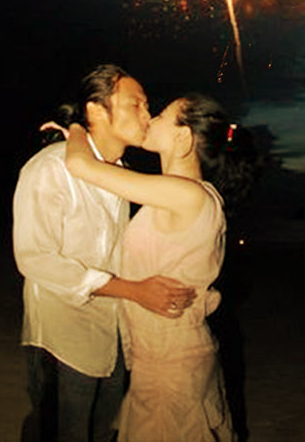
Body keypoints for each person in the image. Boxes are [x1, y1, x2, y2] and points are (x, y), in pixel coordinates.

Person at [14, 65, 198, 442]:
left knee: (103, 433)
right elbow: (35, 258)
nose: (147, 115)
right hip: (62, 339)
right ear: (96, 110)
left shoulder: (119, 175)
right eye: (136, 104)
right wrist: (134, 290)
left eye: (148, 106)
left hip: (113, 338)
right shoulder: (51, 168)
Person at [60, 93, 254, 442]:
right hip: (162, 356)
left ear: (183, 137)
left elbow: (80, 166)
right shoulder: (185, 194)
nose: (150, 119)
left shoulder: (186, 195)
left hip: (170, 363)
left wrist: (76, 123)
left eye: (162, 115)